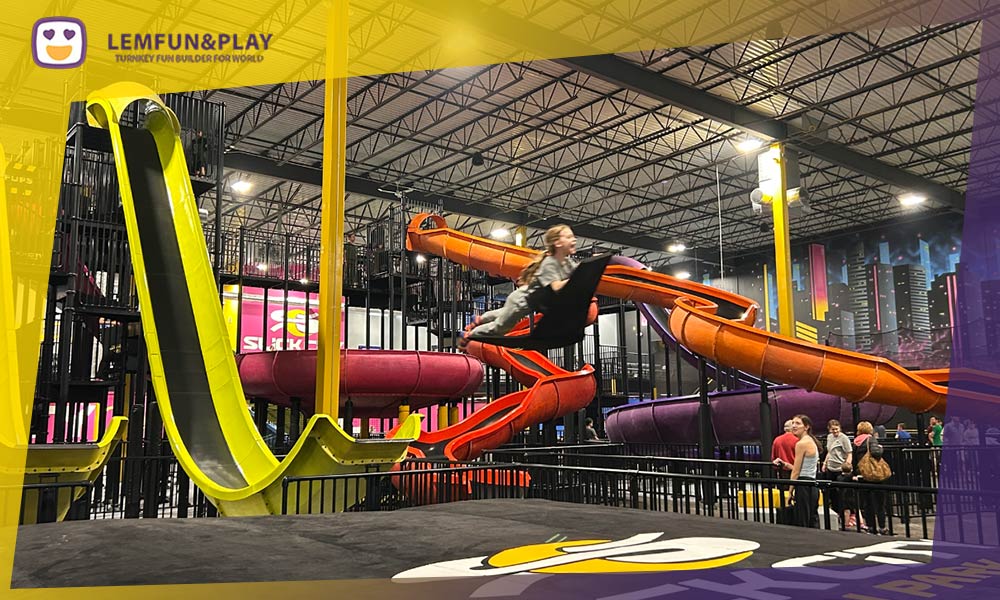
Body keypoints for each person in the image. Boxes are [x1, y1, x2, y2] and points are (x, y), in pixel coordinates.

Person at [460, 225, 577, 348]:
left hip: (529, 300)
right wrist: (575, 280)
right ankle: (470, 335)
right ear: (558, 243)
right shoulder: (550, 263)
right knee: (501, 327)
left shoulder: (567, 263)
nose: (574, 240)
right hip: (521, 301)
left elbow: (581, 271)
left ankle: (480, 319)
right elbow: (556, 287)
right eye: (569, 237)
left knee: (504, 312)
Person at [775, 414, 820, 528]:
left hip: (803, 486)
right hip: (811, 485)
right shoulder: (810, 441)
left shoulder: (801, 444)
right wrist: (785, 464)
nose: (794, 426)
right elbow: (803, 467)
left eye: (798, 423)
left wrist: (790, 491)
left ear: (806, 427)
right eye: (793, 423)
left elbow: (796, 471)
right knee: (811, 520)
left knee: (802, 521)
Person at [853, 420, 890, 535]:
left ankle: (870, 526)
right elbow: (876, 453)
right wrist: (880, 448)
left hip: (863, 474)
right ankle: (882, 527)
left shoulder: (856, 442)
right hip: (874, 475)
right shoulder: (871, 439)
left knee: (867, 503)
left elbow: (854, 459)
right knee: (880, 503)